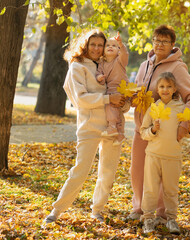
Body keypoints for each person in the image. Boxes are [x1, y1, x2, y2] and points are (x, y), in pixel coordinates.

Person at [44, 29, 127, 224]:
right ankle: (56, 212)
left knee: (107, 173)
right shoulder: (78, 67)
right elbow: (80, 100)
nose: (97, 49)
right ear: (85, 45)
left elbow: (120, 93)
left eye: (101, 45)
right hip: (89, 127)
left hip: (113, 127)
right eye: (93, 45)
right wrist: (108, 98)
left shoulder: (110, 64)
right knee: (80, 171)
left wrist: (123, 102)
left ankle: (97, 210)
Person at [129, 25, 190, 223]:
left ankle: (160, 213)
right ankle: (139, 208)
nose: (159, 44)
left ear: (172, 45)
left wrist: (185, 124)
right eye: (156, 40)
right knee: (137, 170)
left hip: (164, 132)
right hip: (142, 128)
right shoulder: (145, 65)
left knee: (158, 174)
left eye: (164, 41)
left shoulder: (178, 67)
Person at [140, 72, 190, 234]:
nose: (165, 89)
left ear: (175, 89)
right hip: (153, 155)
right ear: (157, 88)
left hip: (173, 156)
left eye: (169, 86)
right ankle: (148, 219)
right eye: (162, 86)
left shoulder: (181, 108)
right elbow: (143, 132)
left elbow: (188, 133)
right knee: (150, 189)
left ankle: (171, 219)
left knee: (171, 190)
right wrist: (153, 130)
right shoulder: (153, 108)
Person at [96, 33, 130, 145]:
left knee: (110, 106)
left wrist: (121, 43)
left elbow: (125, 54)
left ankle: (112, 126)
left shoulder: (120, 61)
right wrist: (99, 77)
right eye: (108, 45)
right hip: (111, 89)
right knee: (117, 110)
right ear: (103, 50)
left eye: (114, 46)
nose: (111, 47)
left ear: (118, 50)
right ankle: (120, 134)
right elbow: (98, 73)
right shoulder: (101, 63)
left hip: (121, 88)